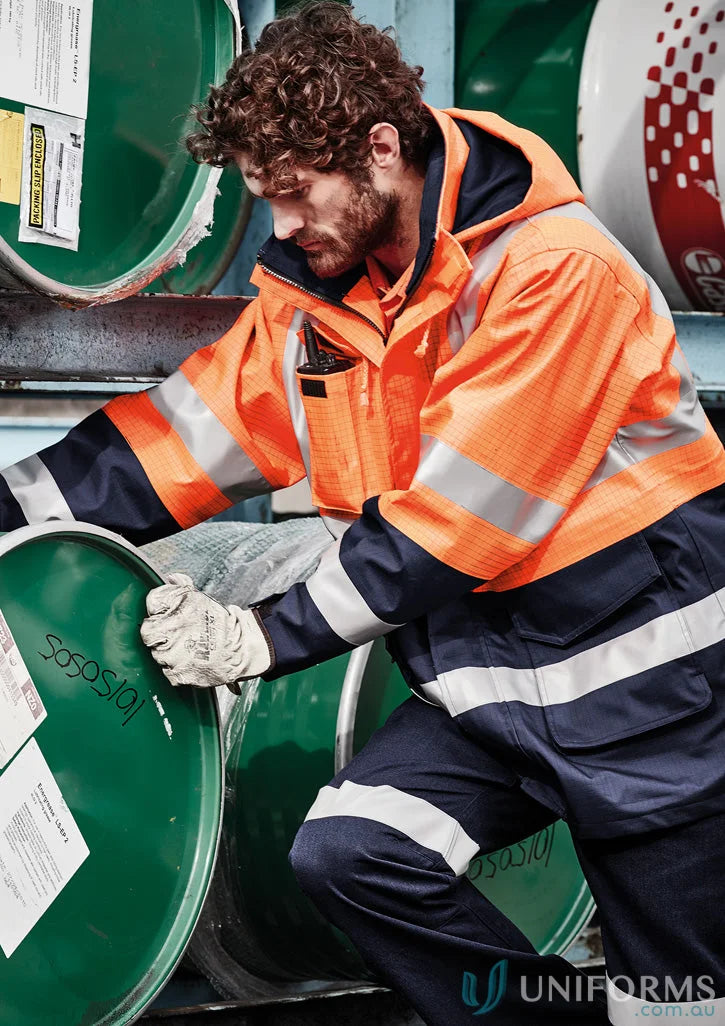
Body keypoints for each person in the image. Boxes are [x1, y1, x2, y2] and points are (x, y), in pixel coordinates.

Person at [2, 3, 725, 1022]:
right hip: (492, 686)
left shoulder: (554, 273)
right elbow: (177, 440)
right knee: (352, 853)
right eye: (263, 200)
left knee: (679, 1004)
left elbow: (447, 532)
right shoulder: (331, 296)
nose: (283, 227)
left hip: (650, 695)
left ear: (380, 149)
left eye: (294, 197)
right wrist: (9, 506)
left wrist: (251, 637)